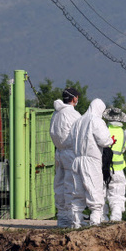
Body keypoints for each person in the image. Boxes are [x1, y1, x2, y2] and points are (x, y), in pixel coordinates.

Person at [69, 98, 116, 228]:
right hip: (91, 160)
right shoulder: (96, 121)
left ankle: (76, 222)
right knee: (95, 190)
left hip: (77, 159)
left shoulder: (77, 122)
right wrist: (111, 141)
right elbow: (104, 140)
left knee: (77, 192)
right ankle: (95, 221)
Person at [49, 88, 81, 227]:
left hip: (59, 152)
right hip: (70, 152)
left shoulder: (56, 113)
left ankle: (62, 217)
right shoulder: (73, 114)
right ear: (74, 99)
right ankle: (73, 218)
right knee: (71, 185)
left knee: (59, 185)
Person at [102, 107, 126, 222]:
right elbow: (123, 149)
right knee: (117, 194)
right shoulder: (124, 133)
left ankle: (102, 217)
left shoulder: (104, 129)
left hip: (103, 168)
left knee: (101, 193)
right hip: (118, 167)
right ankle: (116, 217)